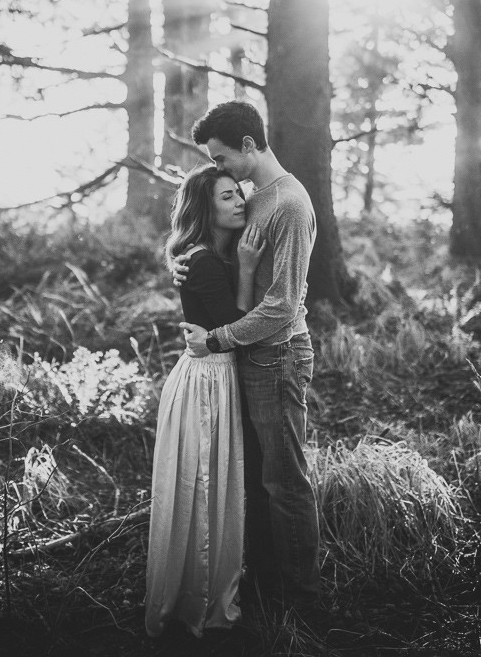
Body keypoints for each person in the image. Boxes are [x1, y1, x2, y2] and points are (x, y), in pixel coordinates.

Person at [177, 100, 321, 617]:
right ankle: (262, 579)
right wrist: (191, 266)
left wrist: (215, 340)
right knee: (258, 476)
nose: (218, 169)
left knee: (284, 481)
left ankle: (302, 597)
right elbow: (227, 254)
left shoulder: (289, 204)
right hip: (249, 356)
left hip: (276, 357)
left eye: (219, 158)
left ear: (247, 146)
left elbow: (282, 307)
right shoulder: (255, 196)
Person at [145, 165, 266, 639]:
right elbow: (232, 327)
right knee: (206, 483)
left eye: (240, 194)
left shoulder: (205, 255)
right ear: (205, 208)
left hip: (205, 375)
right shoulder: (207, 260)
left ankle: (195, 588)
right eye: (227, 198)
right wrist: (252, 269)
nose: (240, 203)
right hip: (209, 380)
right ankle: (201, 598)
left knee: (206, 481)